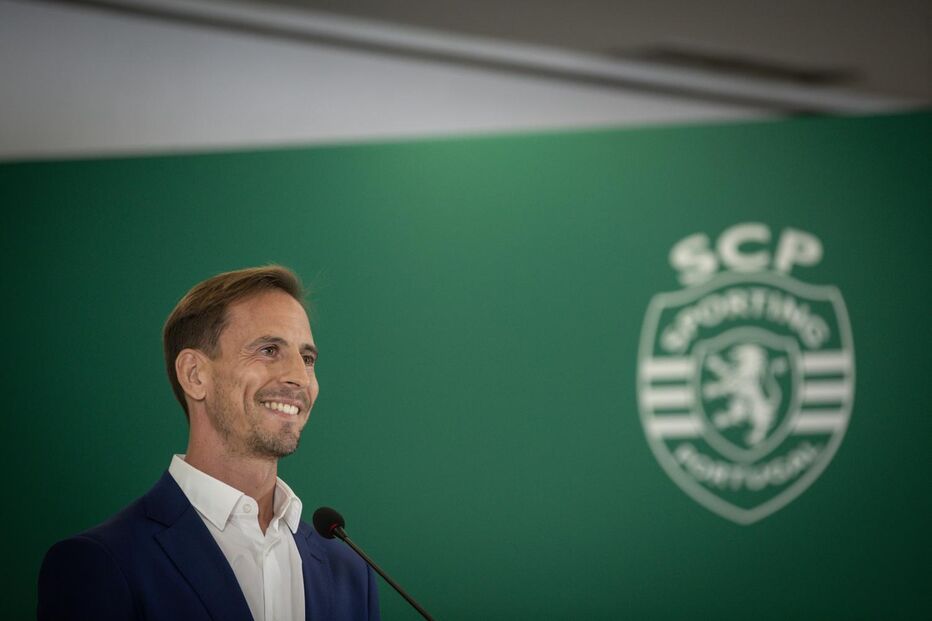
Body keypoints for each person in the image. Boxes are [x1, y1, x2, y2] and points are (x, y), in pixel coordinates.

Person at [38, 266, 380, 621]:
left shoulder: (351, 572)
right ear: (194, 375)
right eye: (268, 350)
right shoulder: (98, 564)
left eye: (307, 359)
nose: (298, 377)